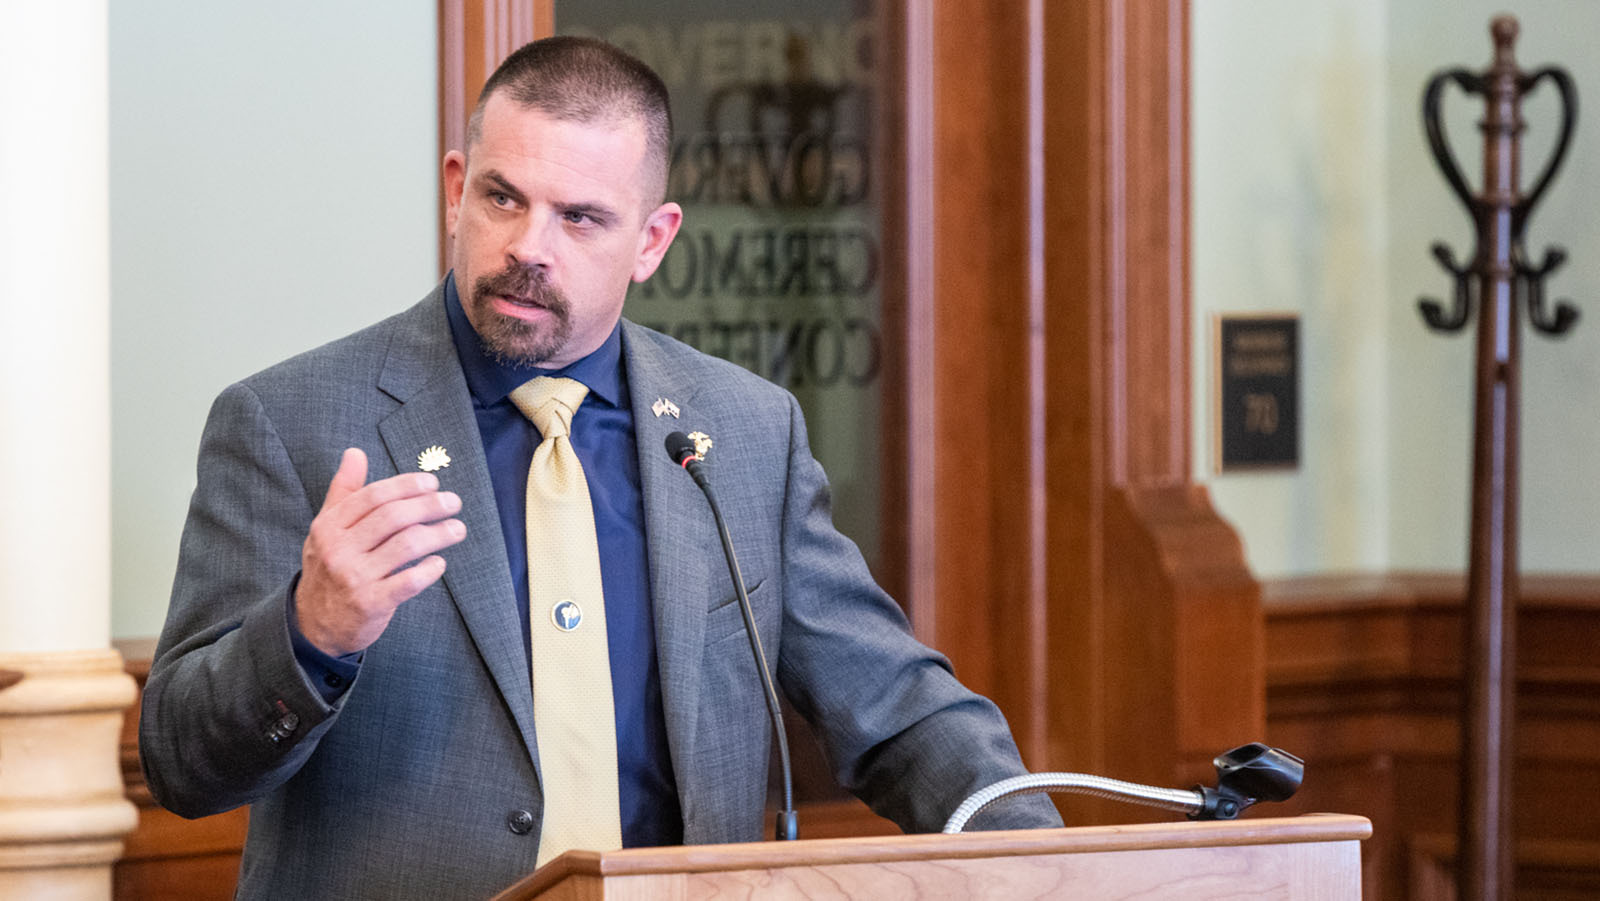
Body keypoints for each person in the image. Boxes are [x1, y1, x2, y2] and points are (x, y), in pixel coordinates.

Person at [139, 36, 1060, 898]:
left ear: (653, 240)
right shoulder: (289, 422)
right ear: (455, 190)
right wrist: (311, 633)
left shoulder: (741, 431)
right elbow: (182, 762)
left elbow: (896, 707)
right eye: (504, 198)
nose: (530, 247)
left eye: (581, 218)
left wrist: (1053, 862)